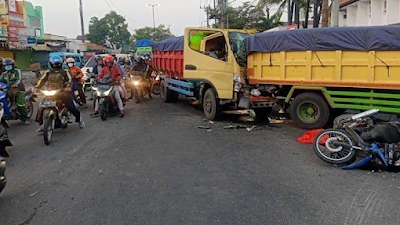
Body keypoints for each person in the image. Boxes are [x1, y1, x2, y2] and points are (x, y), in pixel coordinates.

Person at [36, 56, 85, 130]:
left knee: (71, 106)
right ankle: (43, 124)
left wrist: (68, 86)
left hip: (63, 92)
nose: (56, 66)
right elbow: (41, 80)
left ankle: (79, 119)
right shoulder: (48, 72)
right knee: (41, 106)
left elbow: (70, 79)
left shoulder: (65, 71)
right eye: (55, 64)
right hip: (50, 92)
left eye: (58, 64)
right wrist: (36, 88)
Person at [0, 58, 30, 125]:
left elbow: (19, 79)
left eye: (9, 65)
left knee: (20, 104)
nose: (7, 67)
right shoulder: (4, 74)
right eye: (6, 66)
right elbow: (0, 81)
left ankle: (26, 118)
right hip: (7, 89)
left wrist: (15, 84)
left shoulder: (17, 71)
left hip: (18, 89)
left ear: (13, 65)